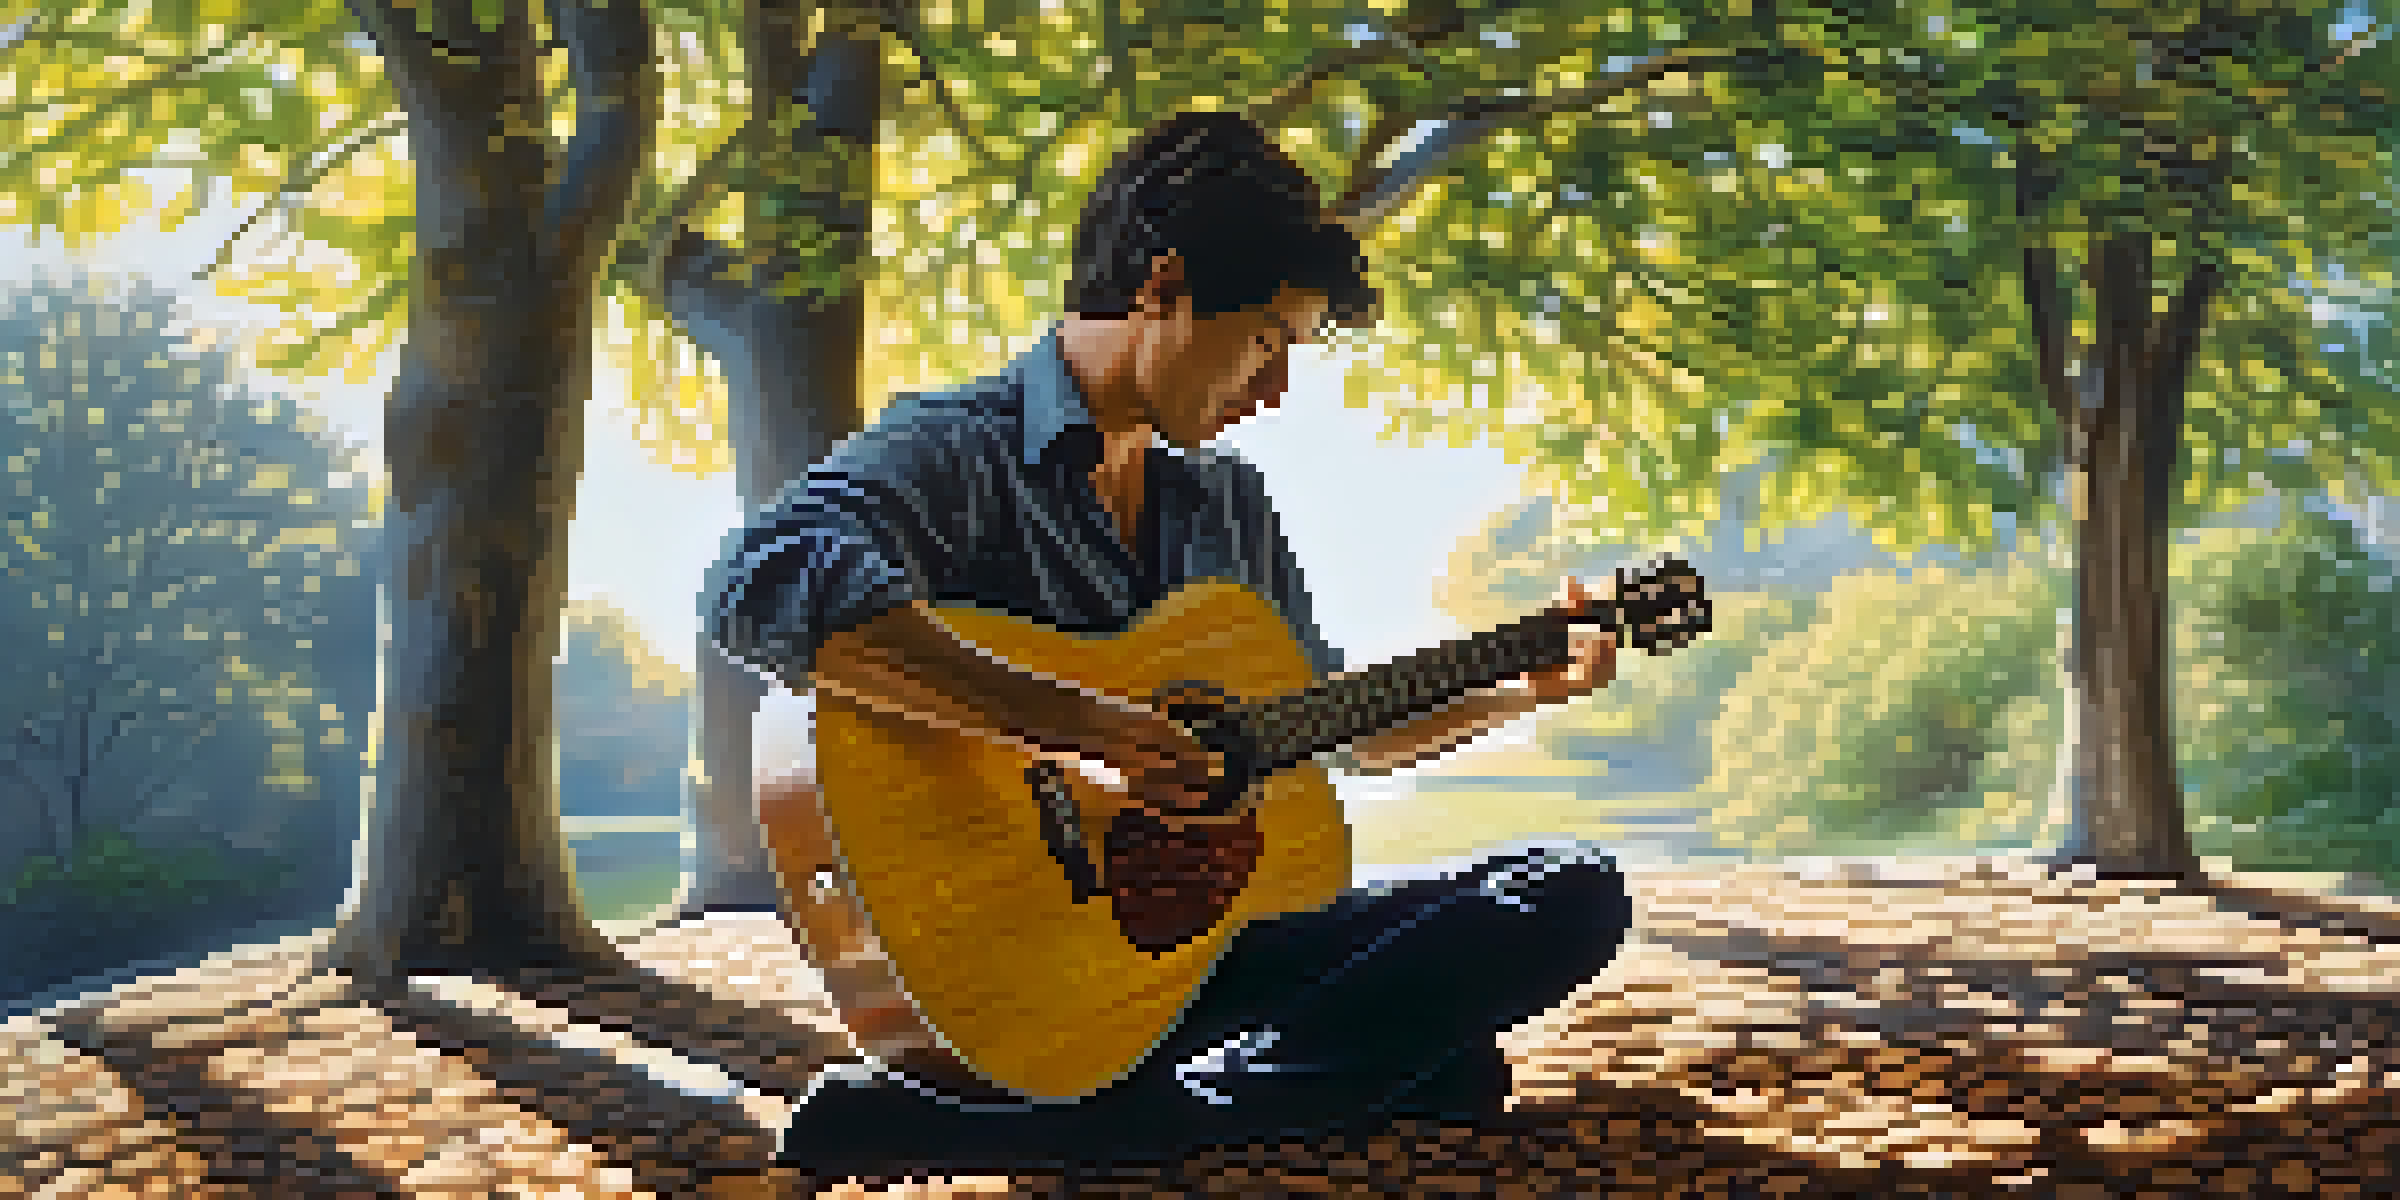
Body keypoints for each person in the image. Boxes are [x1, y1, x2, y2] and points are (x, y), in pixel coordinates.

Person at [701, 109, 1633, 1188]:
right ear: (1161, 285)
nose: (1275, 390)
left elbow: (1336, 728)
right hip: (1019, 973)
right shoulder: (956, 449)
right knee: (1450, 1060)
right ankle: (1303, 1082)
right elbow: (759, 583)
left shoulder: (1229, 505)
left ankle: (1132, 1112)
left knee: (1566, 888)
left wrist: (1524, 684)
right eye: (1264, 342)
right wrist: (1075, 722)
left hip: (1204, 954)